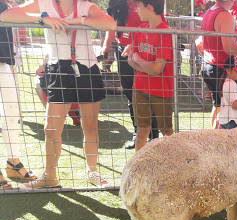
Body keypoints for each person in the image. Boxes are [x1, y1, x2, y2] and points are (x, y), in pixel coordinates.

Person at [0, 0, 117, 189]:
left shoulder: (85, 6)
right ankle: (50, 176)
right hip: (58, 69)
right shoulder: (43, 4)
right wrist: (43, 19)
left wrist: (80, 20)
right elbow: (5, 15)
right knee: (51, 129)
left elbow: (110, 24)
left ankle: (93, 172)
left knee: (90, 126)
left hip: (87, 68)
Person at [103, 0, 159, 149]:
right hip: (123, 50)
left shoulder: (142, 4)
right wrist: (106, 46)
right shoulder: (117, 3)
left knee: (148, 93)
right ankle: (137, 132)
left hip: (144, 49)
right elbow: (112, 25)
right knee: (130, 93)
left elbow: (156, 21)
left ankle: (154, 135)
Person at [122, 0, 174, 151]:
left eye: (138, 6)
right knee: (142, 129)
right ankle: (137, 166)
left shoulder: (165, 32)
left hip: (161, 90)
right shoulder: (140, 29)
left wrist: (139, 60)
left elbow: (157, 68)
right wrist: (146, 66)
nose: (136, 10)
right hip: (140, 87)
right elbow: (130, 61)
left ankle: (172, 164)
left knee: (167, 131)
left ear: (149, 7)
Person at [200, 0, 237, 129]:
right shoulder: (225, 16)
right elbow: (229, 47)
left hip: (209, 66)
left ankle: (213, 138)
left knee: (218, 106)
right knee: (223, 110)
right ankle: (217, 141)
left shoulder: (209, 11)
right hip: (221, 68)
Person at [0, 0, 37, 190]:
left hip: (3, 62)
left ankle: (13, 162)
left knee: (12, 113)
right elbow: (23, 12)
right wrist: (45, 16)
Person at [218, 56, 237, 129]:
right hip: (231, 120)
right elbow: (234, 105)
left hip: (224, 119)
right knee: (233, 140)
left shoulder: (225, 82)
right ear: (228, 70)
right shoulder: (232, 84)